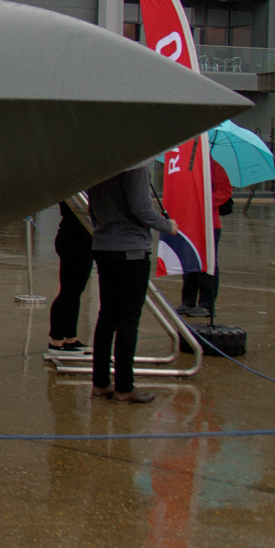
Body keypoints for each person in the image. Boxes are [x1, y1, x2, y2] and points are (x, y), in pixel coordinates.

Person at [88, 164, 177, 404]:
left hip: (104, 245)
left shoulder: (98, 166)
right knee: (128, 320)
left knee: (107, 317)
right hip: (130, 250)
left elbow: (93, 209)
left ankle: (100, 383)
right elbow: (141, 208)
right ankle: (125, 387)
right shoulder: (135, 166)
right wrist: (167, 225)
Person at [180, 157, 232, 319]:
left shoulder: (214, 167)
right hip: (190, 224)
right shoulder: (185, 166)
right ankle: (188, 301)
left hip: (209, 224)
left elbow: (225, 192)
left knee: (208, 264)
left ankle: (207, 304)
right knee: (190, 263)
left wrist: (203, 200)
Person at [47, 201, 92, 354]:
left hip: (79, 239)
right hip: (74, 240)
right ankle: (56, 340)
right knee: (69, 291)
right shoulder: (76, 191)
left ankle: (70, 337)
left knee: (76, 290)